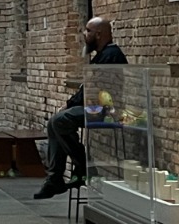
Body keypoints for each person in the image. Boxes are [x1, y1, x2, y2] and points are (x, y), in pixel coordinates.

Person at [34, 16, 127, 199]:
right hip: (94, 107)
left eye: (88, 31)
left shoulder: (111, 55)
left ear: (99, 34)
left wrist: (70, 105)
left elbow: (96, 90)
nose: (85, 34)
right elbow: (87, 88)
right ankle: (55, 178)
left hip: (105, 110)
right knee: (54, 122)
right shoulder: (101, 55)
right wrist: (69, 104)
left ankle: (83, 165)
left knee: (60, 121)